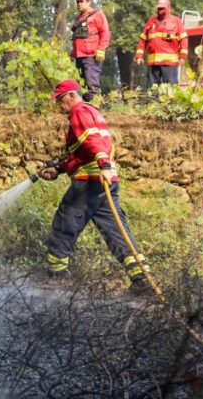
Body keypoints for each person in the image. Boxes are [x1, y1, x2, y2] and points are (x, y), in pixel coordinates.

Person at [39, 79, 150, 292]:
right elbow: (83, 152)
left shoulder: (79, 111)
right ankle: (142, 279)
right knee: (116, 231)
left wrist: (104, 165)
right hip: (103, 183)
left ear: (71, 96)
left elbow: (93, 142)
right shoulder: (92, 111)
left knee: (64, 225)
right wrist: (59, 168)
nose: (58, 105)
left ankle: (55, 279)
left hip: (89, 182)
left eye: (60, 100)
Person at [134, 0, 188, 87]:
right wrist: (139, 56)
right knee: (152, 90)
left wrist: (183, 57)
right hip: (153, 63)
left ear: (169, 8)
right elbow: (143, 39)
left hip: (169, 64)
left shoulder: (176, 21)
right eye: (159, 8)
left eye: (162, 8)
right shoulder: (151, 21)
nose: (160, 10)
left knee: (170, 89)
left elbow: (183, 39)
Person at [70, 0, 111, 99]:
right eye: (77, 2)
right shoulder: (79, 18)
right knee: (80, 85)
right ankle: (84, 107)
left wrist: (101, 48)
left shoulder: (97, 15)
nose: (79, 4)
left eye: (81, 1)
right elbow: (77, 39)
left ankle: (94, 105)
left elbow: (105, 32)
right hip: (79, 56)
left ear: (88, 2)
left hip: (91, 56)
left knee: (91, 84)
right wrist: (72, 54)